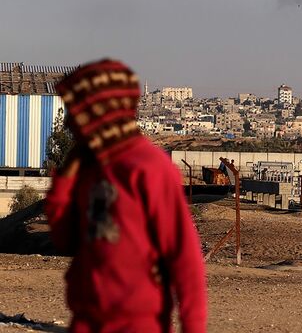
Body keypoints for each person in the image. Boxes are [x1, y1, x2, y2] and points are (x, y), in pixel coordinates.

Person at [44, 59, 207, 333]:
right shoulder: (89, 168)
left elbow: (184, 258)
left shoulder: (149, 168)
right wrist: (65, 180)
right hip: (87, 319)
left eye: (77, 112)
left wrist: (193, 327)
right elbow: (66, 239)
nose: (70, 122)